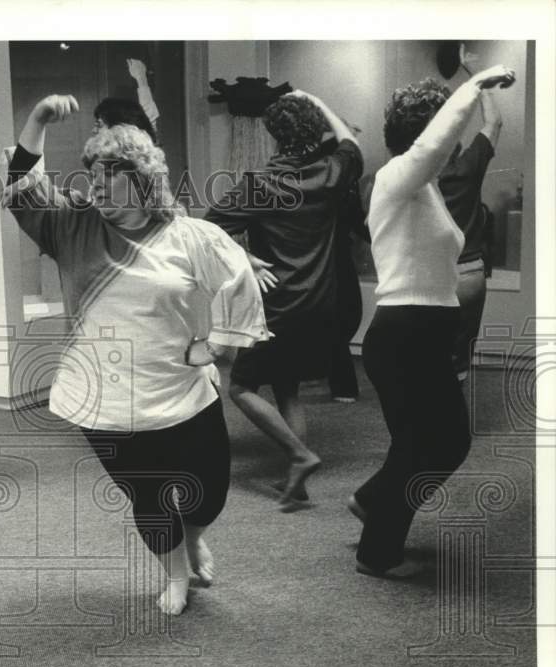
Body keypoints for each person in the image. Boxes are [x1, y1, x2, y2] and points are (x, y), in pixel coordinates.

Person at [4, 94, 272, 615]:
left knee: (208, 494)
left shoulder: (190, 236)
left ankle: (193, 537)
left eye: (111, 175)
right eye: (92, 175)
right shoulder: (72, 227)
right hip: (102, 401)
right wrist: (37, 120)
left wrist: (216, 345)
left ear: (144, 178)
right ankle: (174, 573)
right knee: (148, 498)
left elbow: (240, 281)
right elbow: (20, 190)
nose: (96, 186)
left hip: (182, 394)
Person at [351, 65, 515, 577]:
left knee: (425, 443)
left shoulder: (424, 189)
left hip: (419, 334)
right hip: (405, 335)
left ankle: (372, 500)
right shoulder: (398, 176)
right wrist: (475, 84)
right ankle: (376, 551)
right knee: (440, 443)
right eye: (448, 128)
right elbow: (432, 147)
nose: (455, 140)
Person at [206, 90, 363, 508]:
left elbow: (208, 229)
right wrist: (317, 99)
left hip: (279, 305)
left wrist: (244, 257)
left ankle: (300, 454)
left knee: (240, 387)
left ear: (272, 133)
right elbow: (352, 143)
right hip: (321, 302)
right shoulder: (332, 172)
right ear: (315, 131)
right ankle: (297, 483)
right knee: (288, 388)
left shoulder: (262, 183)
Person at [438, 58, 503, 382]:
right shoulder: (467, 168)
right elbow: (494, 122)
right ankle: (454, 425)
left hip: (430, 277)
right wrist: (479, 78)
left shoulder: (413, 175)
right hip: (469, 275)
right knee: (459, 359)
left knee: (426, 357)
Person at [318, 128, 369, 403]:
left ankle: (331, 373)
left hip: (338, 255)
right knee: (341, 318)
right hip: (323, 259)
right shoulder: (323, 183)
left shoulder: (346, 185)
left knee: (348, 315)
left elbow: (357, 219)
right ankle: (343, 385)